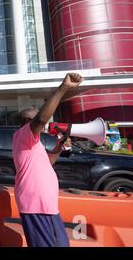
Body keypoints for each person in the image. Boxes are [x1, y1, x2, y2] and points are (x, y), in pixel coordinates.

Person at [12, 73, 83, 247]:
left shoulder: (32, 144)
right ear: (26, 122)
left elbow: (47, 163)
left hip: (44, 205)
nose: (44, 125)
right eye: (36, 119)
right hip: (36, 204)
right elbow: (42, 118)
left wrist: (58, 147)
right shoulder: (23, 135)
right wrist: (63, 88)